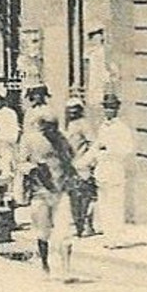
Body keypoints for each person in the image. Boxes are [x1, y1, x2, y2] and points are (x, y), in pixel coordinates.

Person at [22, 109, 78, 280]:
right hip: (41, 192)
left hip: (61, 191)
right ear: (41, 127)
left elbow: (70, 159)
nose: (51, 131)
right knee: (43, 232)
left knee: (64, 232)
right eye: (47, 128)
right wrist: (33, 169)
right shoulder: (31, 141)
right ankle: (45, 265)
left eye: (54, 127)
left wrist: (71, 178)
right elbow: (21, 163)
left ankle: (66, 269)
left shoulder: (62, 140)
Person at [89, 91, 135, 241]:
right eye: (107, 107)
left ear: (117, 109)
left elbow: (128, 149)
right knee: (104, 205)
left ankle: (116, 238)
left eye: (112, 107)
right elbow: (96, 147)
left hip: (115, 169)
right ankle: (108, 235)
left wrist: (110, 149)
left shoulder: (122, 128)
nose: (109, 110)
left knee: (115, 205)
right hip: (102, 170)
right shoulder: (103, 127)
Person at [63, 97, 97, 237]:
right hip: (70, 166)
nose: (72, 113)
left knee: (86, 197)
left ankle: (87, 225)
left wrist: (88, 162)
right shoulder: (67, 125)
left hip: (82, 165)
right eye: (69, 111)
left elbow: (93, 144)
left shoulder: (84, 125)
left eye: (75, 111)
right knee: (73, 197)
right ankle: (78, 225)